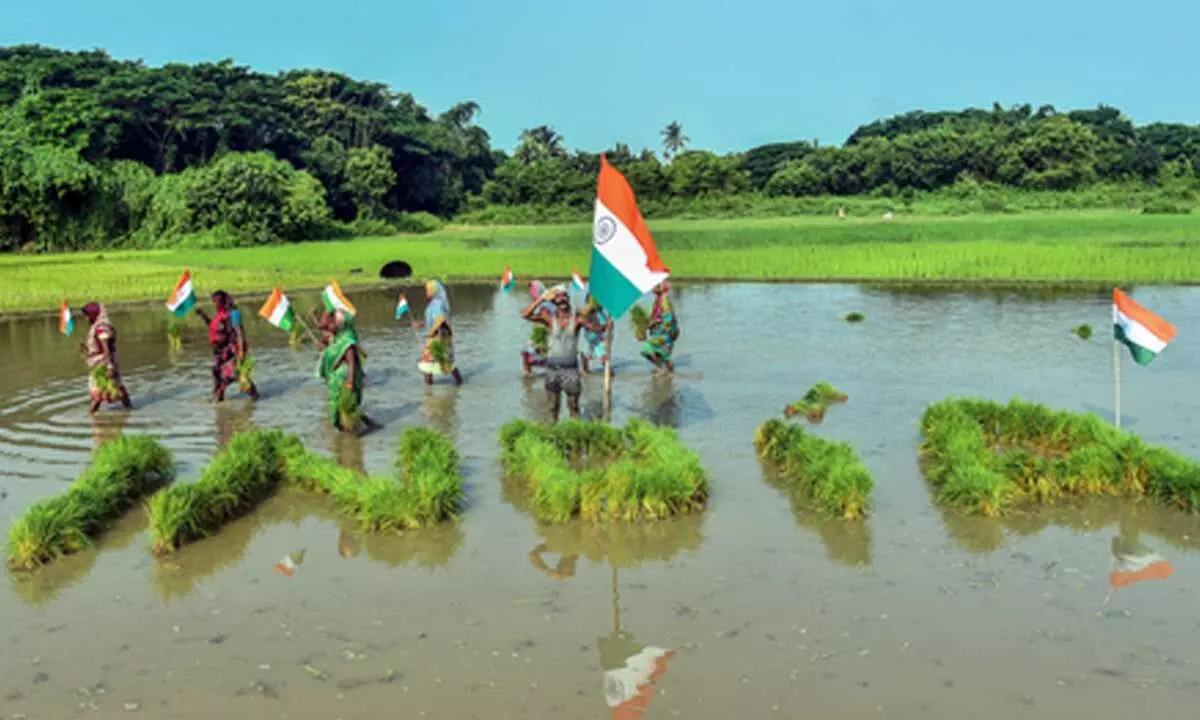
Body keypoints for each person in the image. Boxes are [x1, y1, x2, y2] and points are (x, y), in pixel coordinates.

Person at [521, 285, 599, 421]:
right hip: (552, 370)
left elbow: (595, 329)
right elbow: (525, 314)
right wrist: (541, 299)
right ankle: (552, 436)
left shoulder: (577, 318)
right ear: (553, 302)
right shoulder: (549, 318)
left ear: (568, 299)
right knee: (552, 407)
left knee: (574, 406)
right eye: (557, 297)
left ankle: (575, 435)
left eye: (564, 296)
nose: (561, 299)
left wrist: (606, 325)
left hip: (571, 370)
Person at [196, 291, 259, 403]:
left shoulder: (233, 314)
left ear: (222, 301)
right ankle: (218, 398)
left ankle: (254, 396)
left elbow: (239, 333)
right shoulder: (220, 314)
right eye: (214, 302)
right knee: (216, 372)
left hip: (232, 350)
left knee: (231, 376)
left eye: (216, 302)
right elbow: (214, 327)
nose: (215, 304)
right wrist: (203, 316)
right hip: (221, 351)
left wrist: (241, 353)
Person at [318, 309, 365, 432]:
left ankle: (350, 434)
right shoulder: (338, 338)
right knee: (336, 407)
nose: (329, 327)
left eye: (332, 323)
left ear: (340, 325)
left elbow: (351, 363)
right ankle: (344, 427)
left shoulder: (347, 341)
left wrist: (350, 381)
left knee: (346, 407)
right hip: (337, 378)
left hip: (345, 378)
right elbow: (322, 325)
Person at [80, 302, 132, 413]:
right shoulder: (99, 326)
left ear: (93, 314)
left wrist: (109, 366)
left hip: (103, 364)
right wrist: (86, 349)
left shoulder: (101, 328)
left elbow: (105, 347)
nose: (86, 318)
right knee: (116, 389)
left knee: (99, 393)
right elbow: (99, 346)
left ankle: (90, 417)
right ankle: (129, 410)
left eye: (87, 315)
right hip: (105, 362)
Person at [413, 280, 464, 386]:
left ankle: (431, 389)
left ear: (434, 290)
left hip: (440, 336)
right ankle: (431, 387)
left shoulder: (438, 303)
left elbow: (441, 319)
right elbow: (433, 320)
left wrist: (436, 335)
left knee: (442, 363)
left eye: (428, 290)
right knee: (430, 364)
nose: (426, 293)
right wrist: (421, 324)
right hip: (438, 336)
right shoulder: (433, 303)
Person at [641, 281, 679, 375]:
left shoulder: (664, 300)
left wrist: (655, 322)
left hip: (664, 333)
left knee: (649, 348)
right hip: (659, 332)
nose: (652, 288)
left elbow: (668, 318)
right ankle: (667, 372)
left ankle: (663, 370)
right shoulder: (658, 300)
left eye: (655, 286)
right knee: (661, 354)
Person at [579, 295, 613, 375]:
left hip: (599, 339)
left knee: (603, 356)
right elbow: (590, 327)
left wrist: (609, 325)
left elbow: (606, 325)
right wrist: (604, 327)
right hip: (590, 338)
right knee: (587, 356)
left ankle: (608, 373)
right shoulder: (587, 313)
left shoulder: (600, 312)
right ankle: (586, 371)